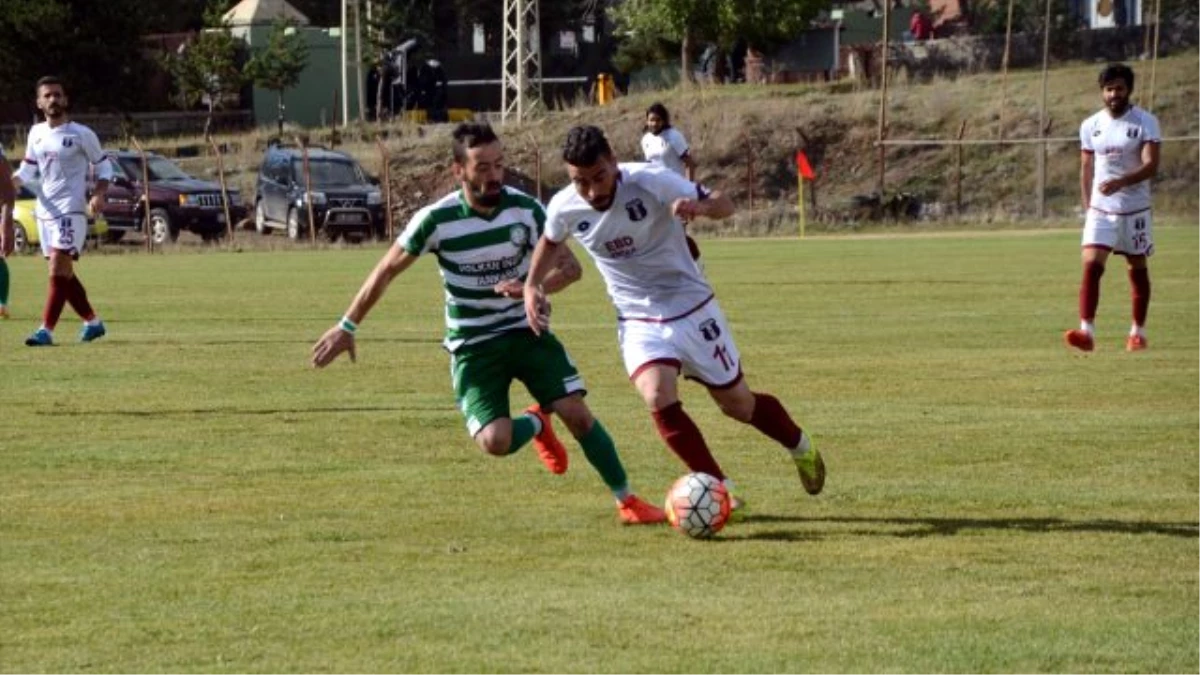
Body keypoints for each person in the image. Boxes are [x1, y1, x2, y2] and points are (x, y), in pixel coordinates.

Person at [311, 122, 666, 526]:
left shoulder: (527, 210)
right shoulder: (436, 220)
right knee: (494, 442)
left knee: (577, 413)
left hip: (525, 332)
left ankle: (628, 501)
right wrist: (347, 326)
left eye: (499, 165)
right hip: (473, 344)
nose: (494, 175)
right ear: (458, 171)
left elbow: (571, 270)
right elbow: (386, 270)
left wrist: (531, 289)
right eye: (482, 167)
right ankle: (536, 423)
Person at [524, 125, 826, 514]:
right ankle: (720, 489)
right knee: (656, 394)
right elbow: (550, 242)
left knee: (738, 405)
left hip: (691, 305)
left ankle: (801, 447)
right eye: (579, 182)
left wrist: (698, 207)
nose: (592, 191)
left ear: (613, 161)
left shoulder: (651, 180)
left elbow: (725, 203)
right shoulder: (565, 206)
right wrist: (532, 284)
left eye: (599, 177)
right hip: (636, 316)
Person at [1065, 63, 1161, 353]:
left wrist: (1122, 182)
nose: (1114, 94)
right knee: (1091, 266)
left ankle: (1137, 332)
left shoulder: (1145, 122)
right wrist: (1087, 205)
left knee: (1137, 268)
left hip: (1134, 210)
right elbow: (1086, 167)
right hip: (1100, 210)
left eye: (1119, 88)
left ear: (1128, 90)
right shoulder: (1090, 125)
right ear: (1102, 92)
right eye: (1109, 89)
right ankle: (1087, 333)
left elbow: (1151, 165)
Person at [13, 76, 110, 346]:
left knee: (57, 267)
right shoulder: (36, 133)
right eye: (48, 95)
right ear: (39, 102)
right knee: (63, 274)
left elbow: (104, 166)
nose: (53, 99)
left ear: (65, 99)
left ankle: (46, 331)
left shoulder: (81, 134)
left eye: (58, 94)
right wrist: (11, 183)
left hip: (71, 211)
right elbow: (28, 169)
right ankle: (93, 322)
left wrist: (99, 193)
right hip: (44, 212)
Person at [641, 103, 703, 265]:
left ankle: (694, 267)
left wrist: (689, 192)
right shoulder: (646, 139)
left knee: (678, 234)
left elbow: (690, 163)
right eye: (651, 120)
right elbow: (650, 168)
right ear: (646, 121)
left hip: (675, 192)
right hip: (656, 194)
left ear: (664, 120)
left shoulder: (674, 137)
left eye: (658, 120)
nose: (654, 123)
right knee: (656, 233)